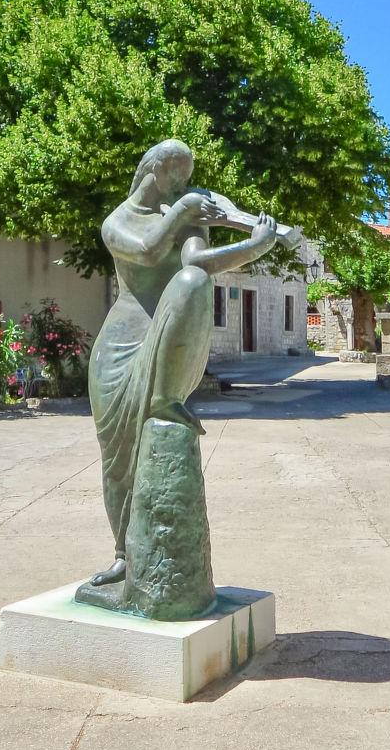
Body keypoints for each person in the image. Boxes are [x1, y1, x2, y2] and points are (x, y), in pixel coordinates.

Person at [85, 139, 283, 588]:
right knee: (117, 462)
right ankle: (122, 554)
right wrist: (183, 210)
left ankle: (165, 395)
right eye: (176, 171)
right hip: (118, 348)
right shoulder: (117, 221)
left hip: (166, 332)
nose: (183, 181)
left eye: (188, 173)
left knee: (192, 280)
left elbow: (196, 264)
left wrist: (254, 247)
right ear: (152, 169)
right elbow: (149, 251)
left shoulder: (186, 213)